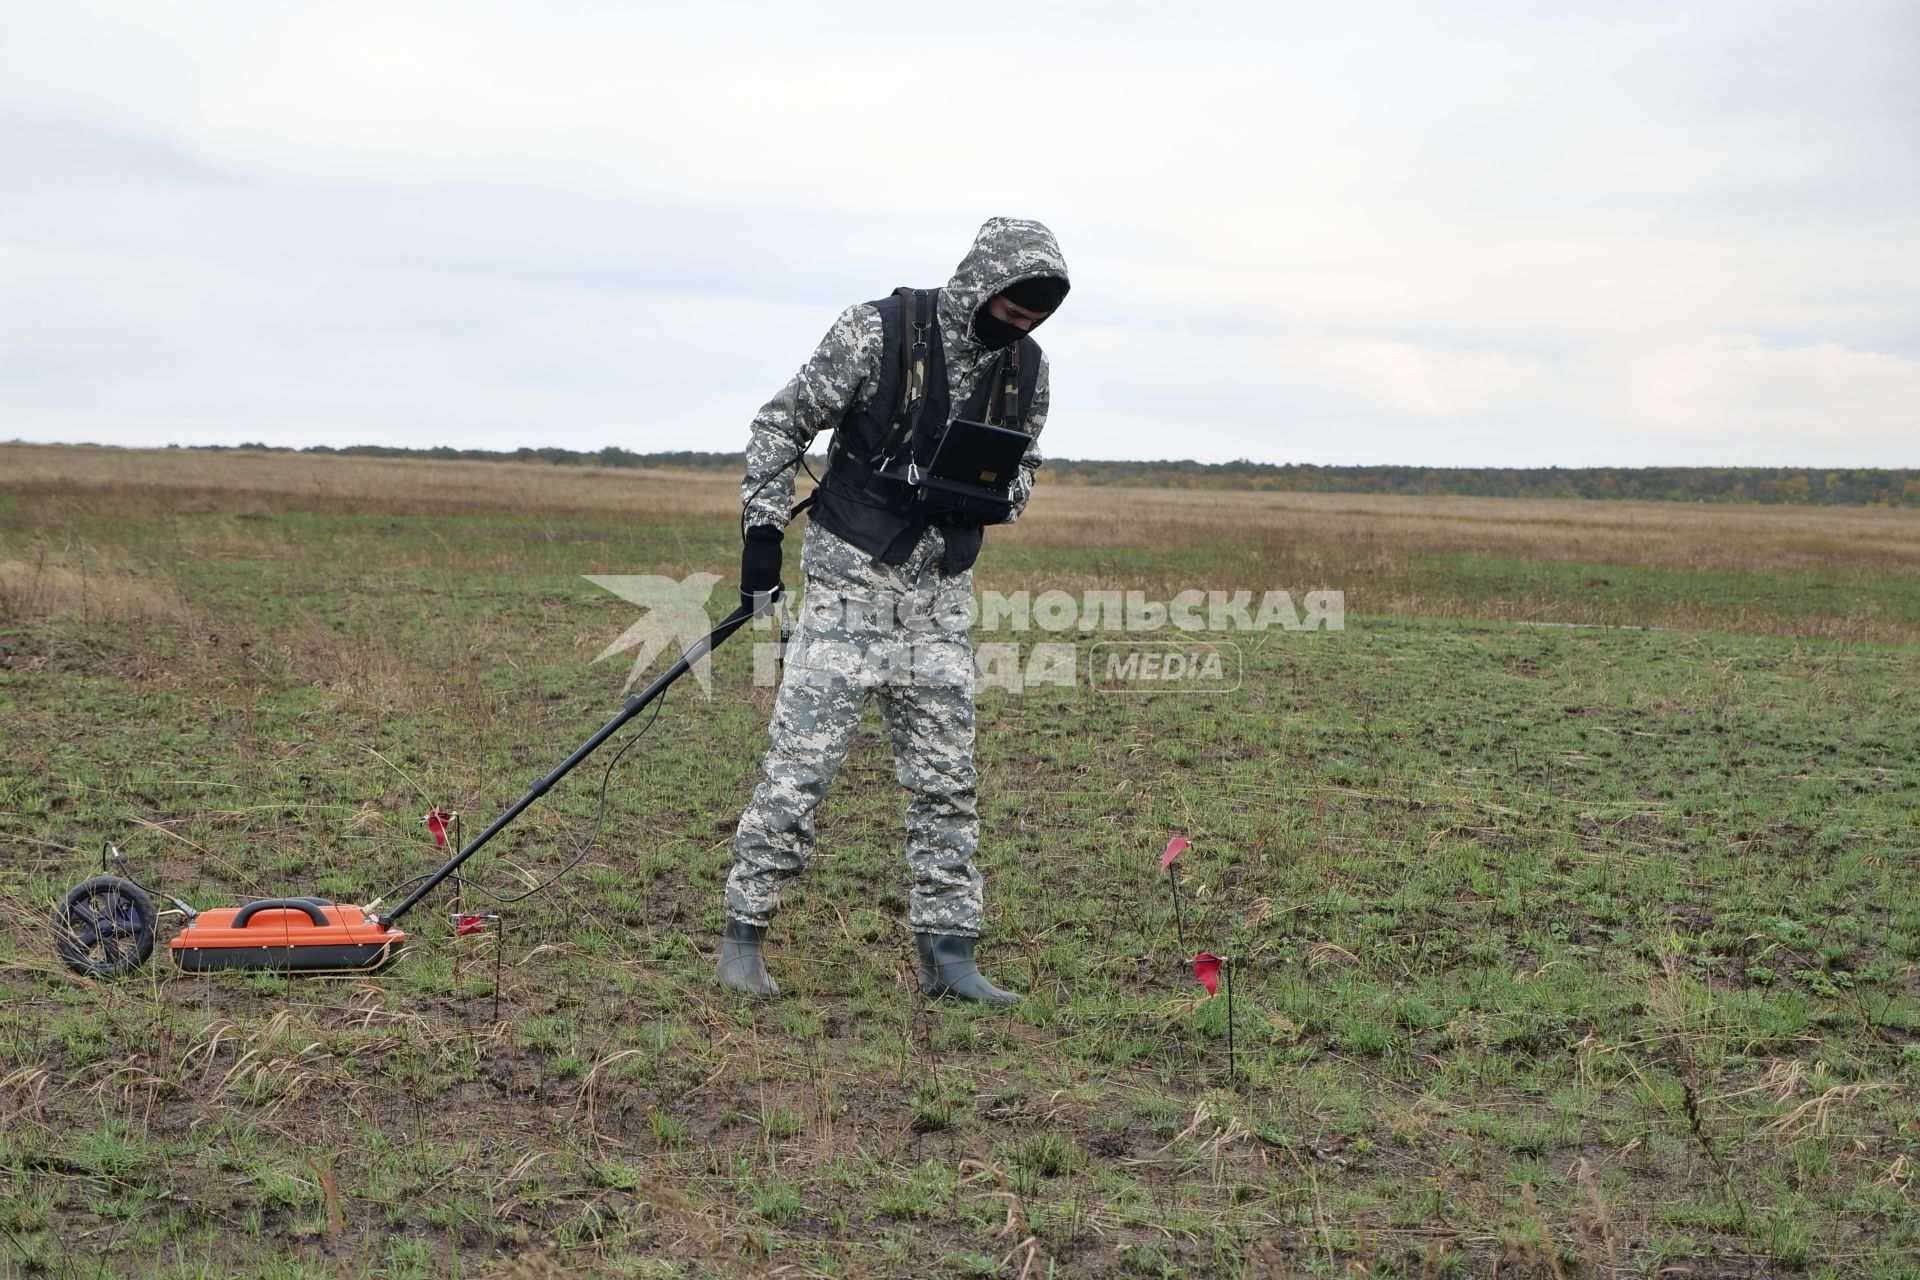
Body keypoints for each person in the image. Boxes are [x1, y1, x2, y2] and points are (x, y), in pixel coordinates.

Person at [717, 217, 1070, 1003]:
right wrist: (762, 538)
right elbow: (781, 423)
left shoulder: (1029, 370)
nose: (1022, 329)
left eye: (1036, 319)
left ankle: (951, 957)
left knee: (947, 780)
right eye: (1011, 313)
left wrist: (993, 494)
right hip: (848, 583)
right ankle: (744, 935)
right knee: (800, 771)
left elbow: (1027, 464)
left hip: (940, 597)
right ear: (981, 284)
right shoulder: (876, 332)